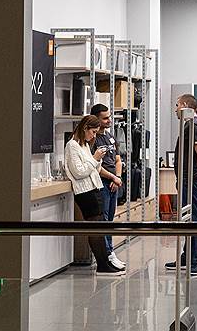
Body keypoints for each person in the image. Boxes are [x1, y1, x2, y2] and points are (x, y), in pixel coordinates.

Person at [64, 114, 125, 275]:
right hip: (85, 192)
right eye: (93, 132)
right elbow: (79, 172)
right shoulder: (72, 146)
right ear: (85, 128)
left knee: (99, 227)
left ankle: (105, 262)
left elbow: (94, 168)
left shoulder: (83, 145)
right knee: (95, 228)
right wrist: (95, 158)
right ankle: (103, 265)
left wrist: (98, 160)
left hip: (94, 188)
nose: (94, 136)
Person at [164, 94, 197, 276]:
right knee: (188, 220)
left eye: (177, 105)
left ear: (184, 105)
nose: (175, 109)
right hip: (185, 179)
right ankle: (188, 257)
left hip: (192, 180)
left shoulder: (194, 125)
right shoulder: (190, 124)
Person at [90, 103, 125, 270]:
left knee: (110, 220)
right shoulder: (93, 140)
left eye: (109, 117)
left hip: (114, 183)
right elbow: (96, 165)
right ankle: (106, 255)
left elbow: (118, 160)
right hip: (102, 183)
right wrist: (112, 177)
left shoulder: (110, 137)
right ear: (96, 119)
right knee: (103, 220)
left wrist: (117, 177)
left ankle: (111, 251)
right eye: (105, 118)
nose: (109, 120)